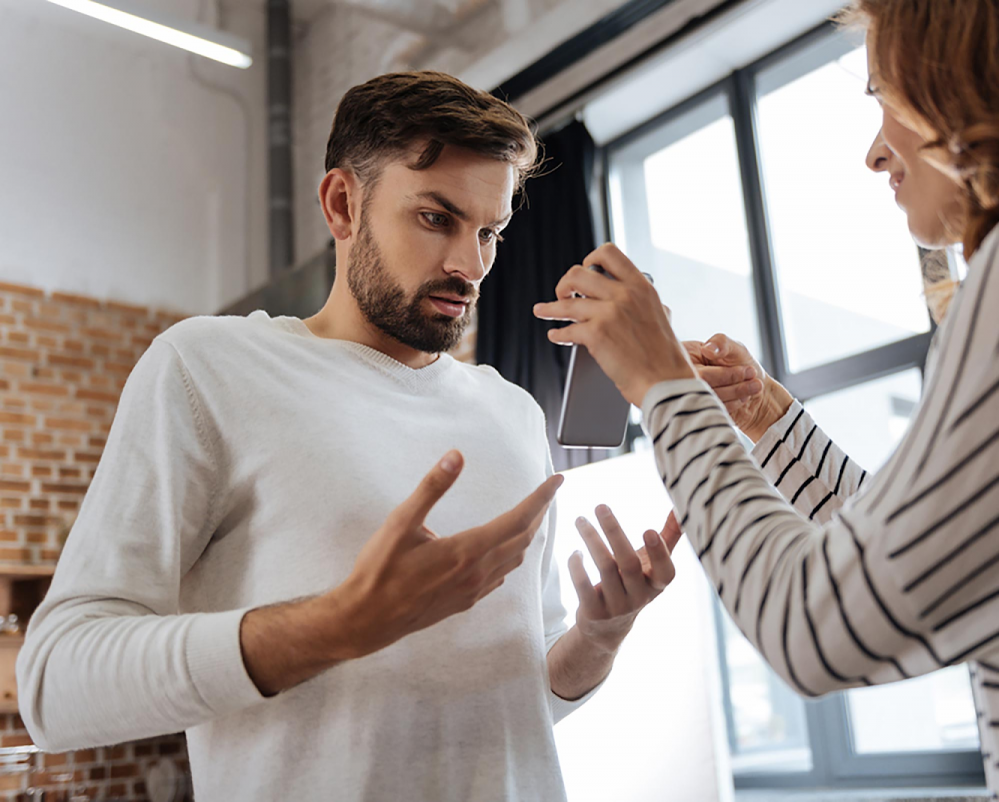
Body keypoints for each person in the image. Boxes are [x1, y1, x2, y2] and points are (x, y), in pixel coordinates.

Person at [535, 0, 999, 798]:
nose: (875, 152)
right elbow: (932, 555)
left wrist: (663, 386)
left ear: (966, 82)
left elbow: (816, 626)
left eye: (883, 92)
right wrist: (768, 422)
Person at [19, 71, 680, 802]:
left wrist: (597, 638)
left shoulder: (514, 413)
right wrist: (339, 625)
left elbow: (530, 699)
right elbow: (54, 683)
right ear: (342, 204)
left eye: (489, 232)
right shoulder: (207, 369)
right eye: (436, 218)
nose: (470, 266)